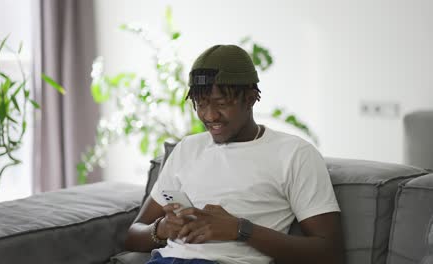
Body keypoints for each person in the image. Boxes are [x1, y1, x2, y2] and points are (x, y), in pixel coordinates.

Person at [125, 45, 344, 264]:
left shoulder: (295, 154)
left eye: (221, 103)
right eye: (201, 104)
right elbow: (132, 235)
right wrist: (161, 229)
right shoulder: (187, 149)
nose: (210, 115)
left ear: (250, 98)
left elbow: (329, 253)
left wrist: (240, 229)